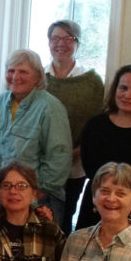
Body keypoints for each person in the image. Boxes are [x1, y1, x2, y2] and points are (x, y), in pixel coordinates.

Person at [0, 49, 72, 225]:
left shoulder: (50, 107)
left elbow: (59, 158)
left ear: (37, 77)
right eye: (11, 71)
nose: (15, 76)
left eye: (23, 72)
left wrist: (36, 193)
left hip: (34, 202)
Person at [44, 20, 105, 233]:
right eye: (55, 38)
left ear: (77, 44)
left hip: (74, 166)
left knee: (64, 217)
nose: (61, 44)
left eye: (68, 39)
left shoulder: (92, 82)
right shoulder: (38, 79)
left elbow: (97, 125)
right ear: (49, 42)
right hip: (41, 164)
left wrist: (77, 152)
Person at [78, 64, 131, 232]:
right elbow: (91, 171)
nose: (127, 95)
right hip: (98, 207)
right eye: (123, 88)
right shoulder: (95, 126)